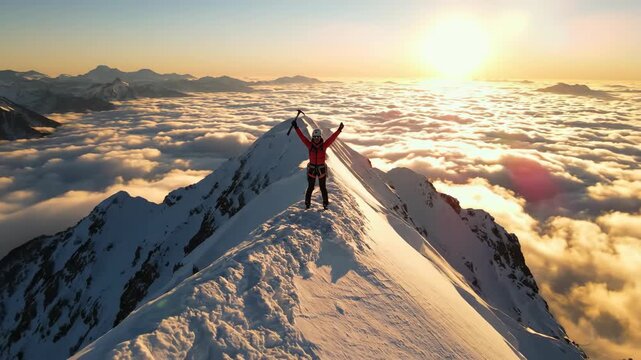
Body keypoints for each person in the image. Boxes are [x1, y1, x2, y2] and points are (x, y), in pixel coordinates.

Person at [292, 119, 344, 209]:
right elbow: (302, 137)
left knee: (323, 187)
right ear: (313, 137)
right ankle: (307, 205)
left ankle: (325, 204)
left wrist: (339, 130)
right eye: (315, 137)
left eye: (318, 137)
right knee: (310, 187)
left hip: (319, 169)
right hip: (314, 169)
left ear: (320, 137)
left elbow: (332, 138)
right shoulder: (310, 145)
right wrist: (296, 127)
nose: (316, 139)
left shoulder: (323, 146)